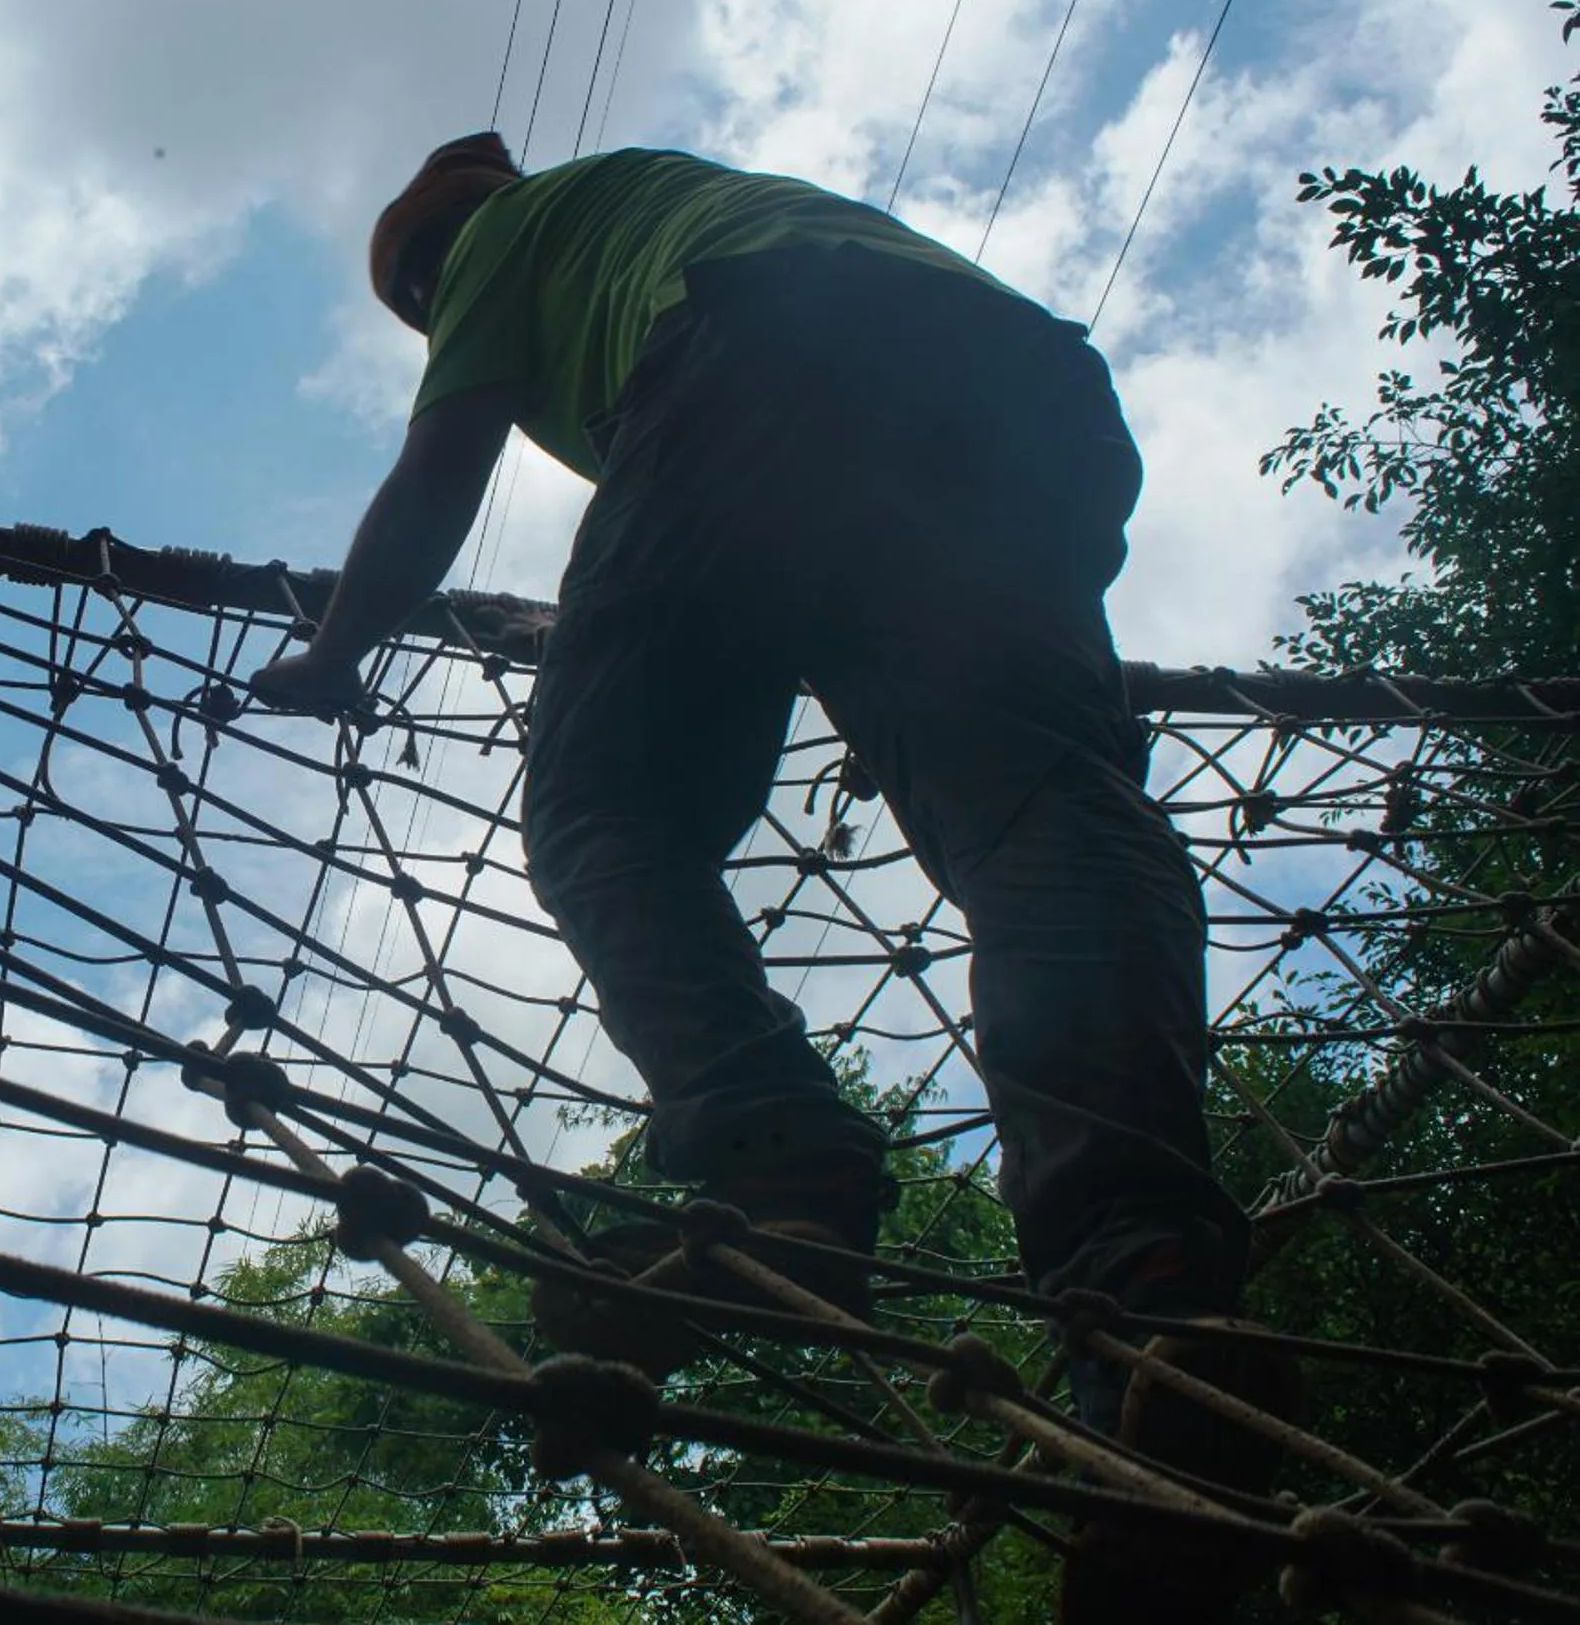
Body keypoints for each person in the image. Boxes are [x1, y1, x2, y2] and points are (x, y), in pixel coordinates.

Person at [249, 132, 1294, 1622]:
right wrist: (887, 678)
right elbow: (824, 540)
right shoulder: (658, 204)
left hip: (761, 360)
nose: (432, 302)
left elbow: (443, 468)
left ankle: (782, 1158)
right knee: (1043, 811)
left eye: (420, 280)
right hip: (1023, 396)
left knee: (607, 806)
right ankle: (1150, 1291)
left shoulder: (502, 240)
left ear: (447, 242)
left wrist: (338, 648)